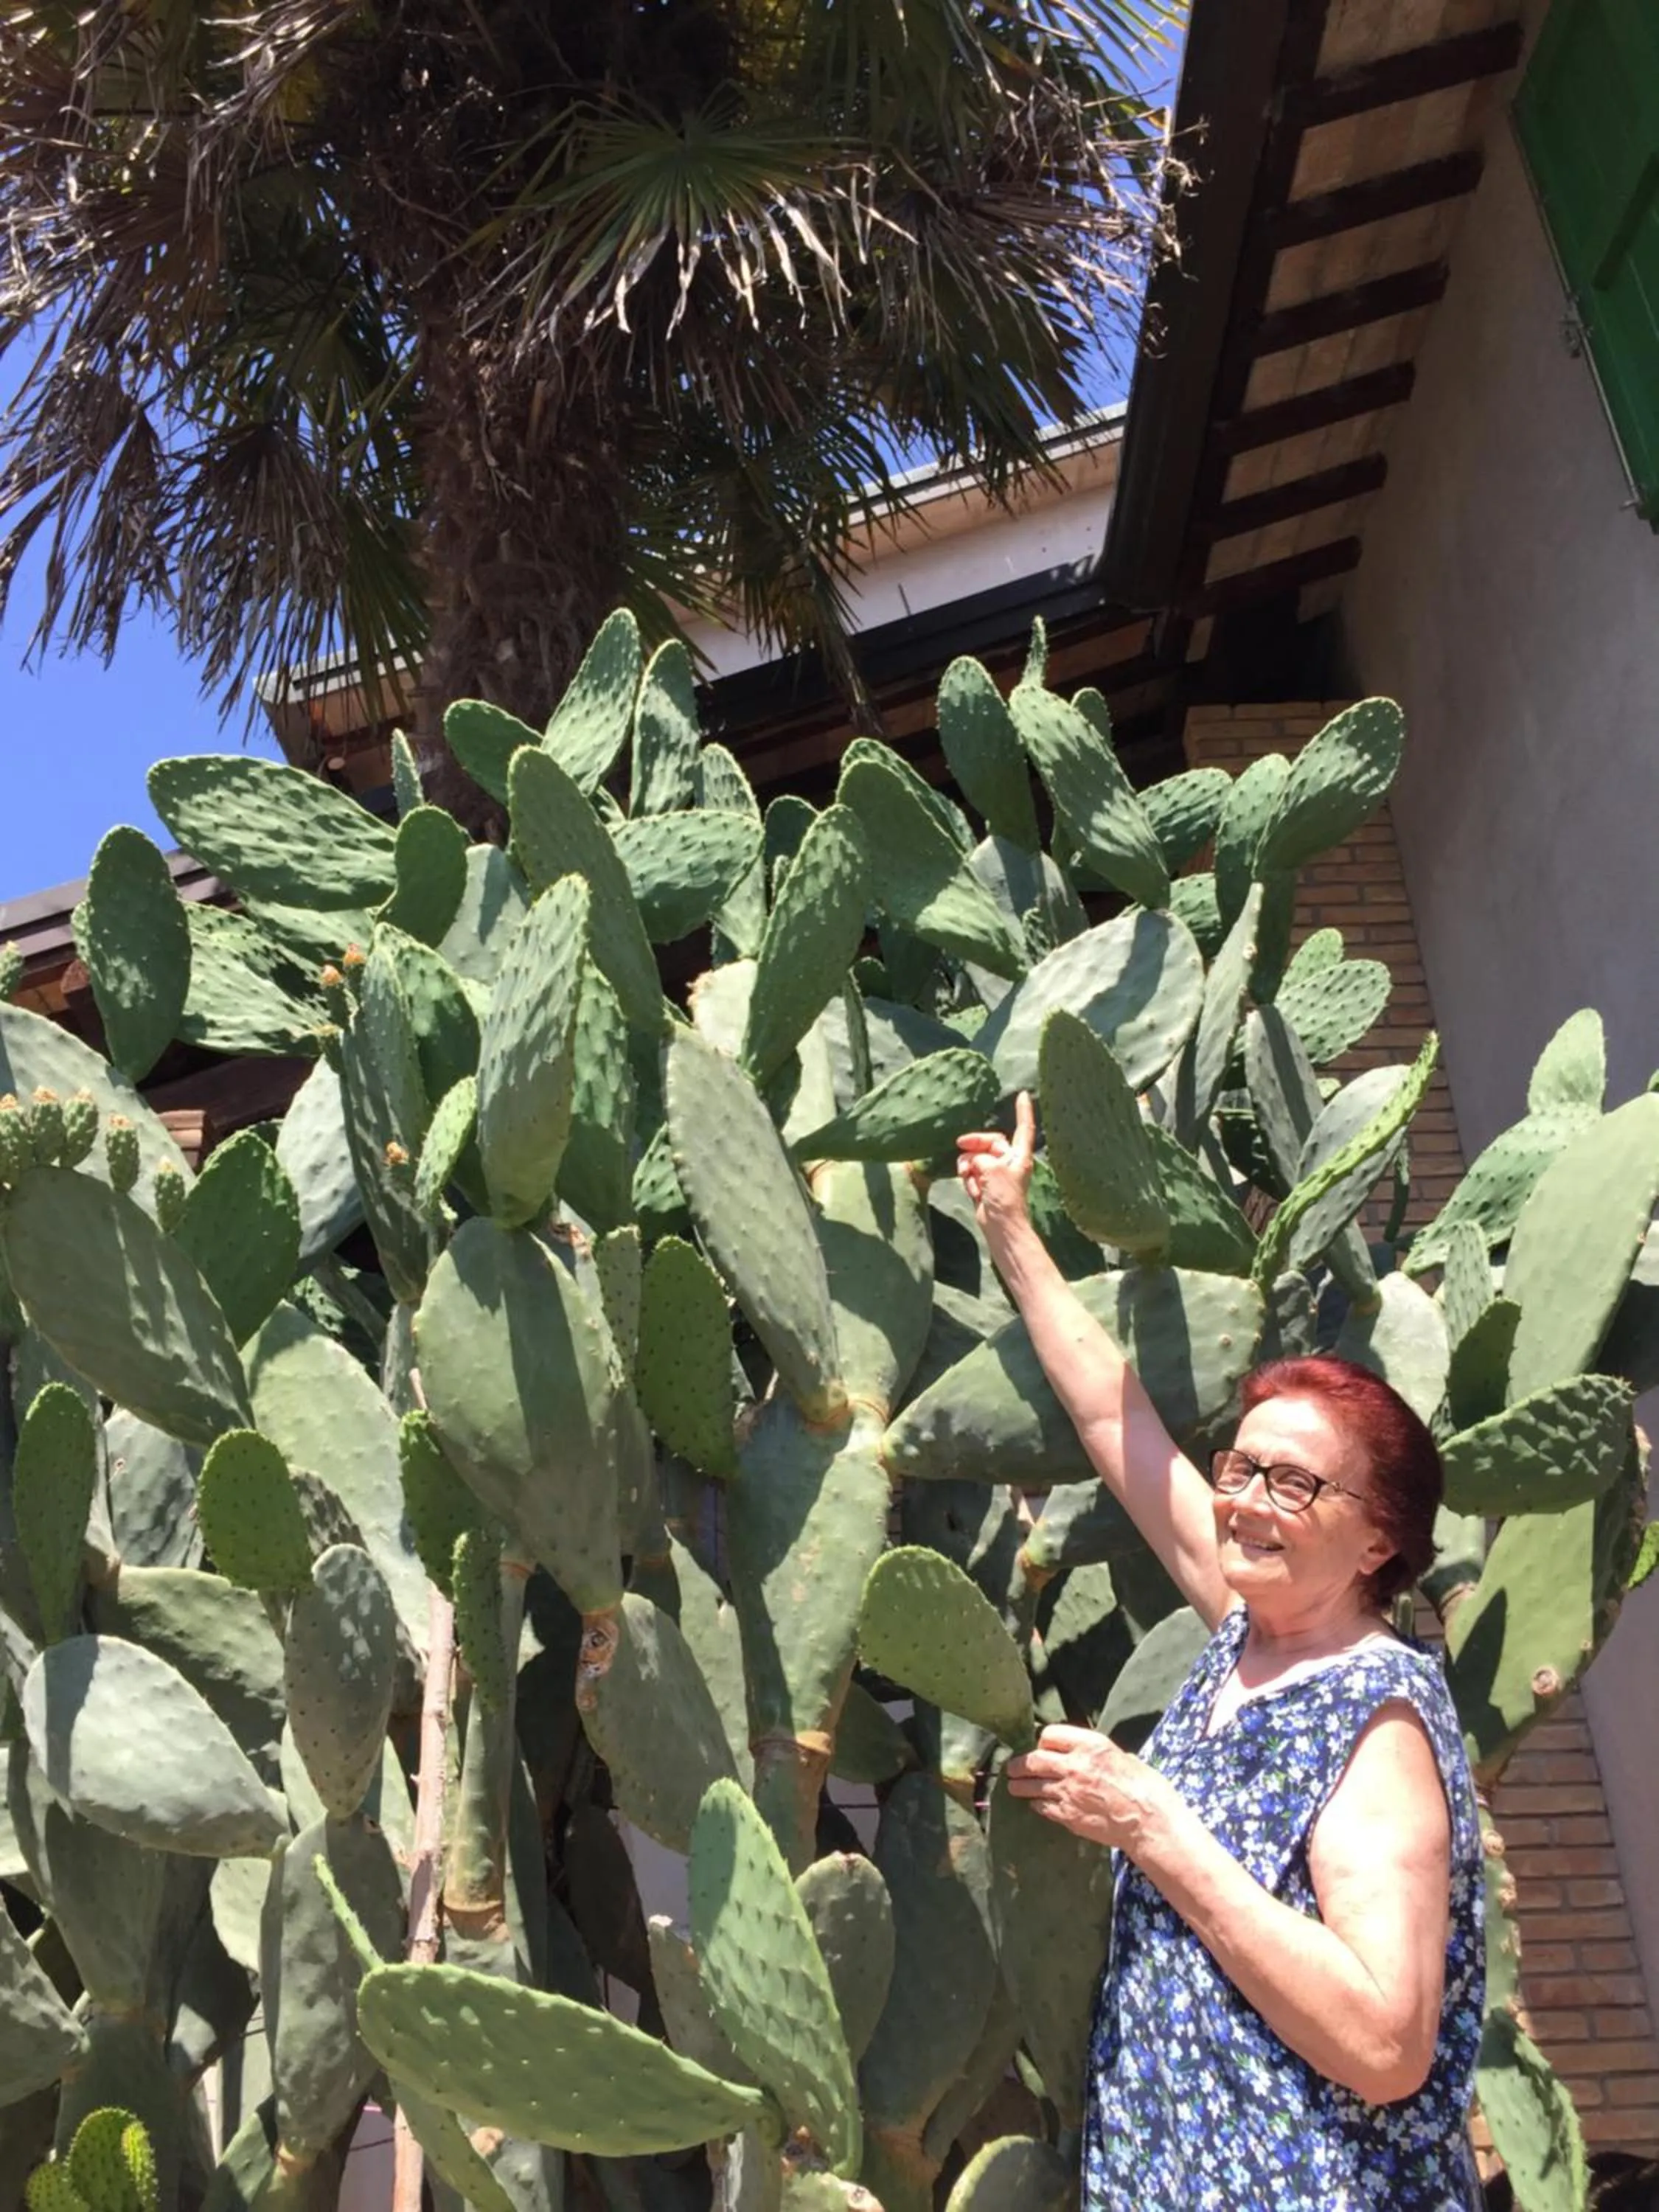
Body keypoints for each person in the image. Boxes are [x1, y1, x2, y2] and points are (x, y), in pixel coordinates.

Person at [957, 1093, 1484, 2211]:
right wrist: (1010, 1226)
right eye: (1239, 1468)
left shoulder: (1377, 1719)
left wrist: (1152, 1826)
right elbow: (1114, 1422)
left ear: (1378, 1538)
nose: (1245, 1501)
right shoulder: (1255, 1624)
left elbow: (1387, 2043)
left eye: (1293, 1483)